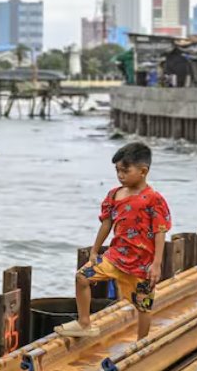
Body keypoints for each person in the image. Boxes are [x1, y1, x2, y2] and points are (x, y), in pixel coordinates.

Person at [57, 142, 172, 340]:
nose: (120, 175)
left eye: (125, 171)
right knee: (82, 277)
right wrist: (94, 251)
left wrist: (156, 264)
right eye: (117, 171)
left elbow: (160, 231)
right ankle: (84, 323)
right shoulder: (114, 194)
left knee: (143, 306)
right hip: (115, 256)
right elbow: (106, 224)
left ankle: (141, 342)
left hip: (142, 263)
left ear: (143, 171)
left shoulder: (154, 199)